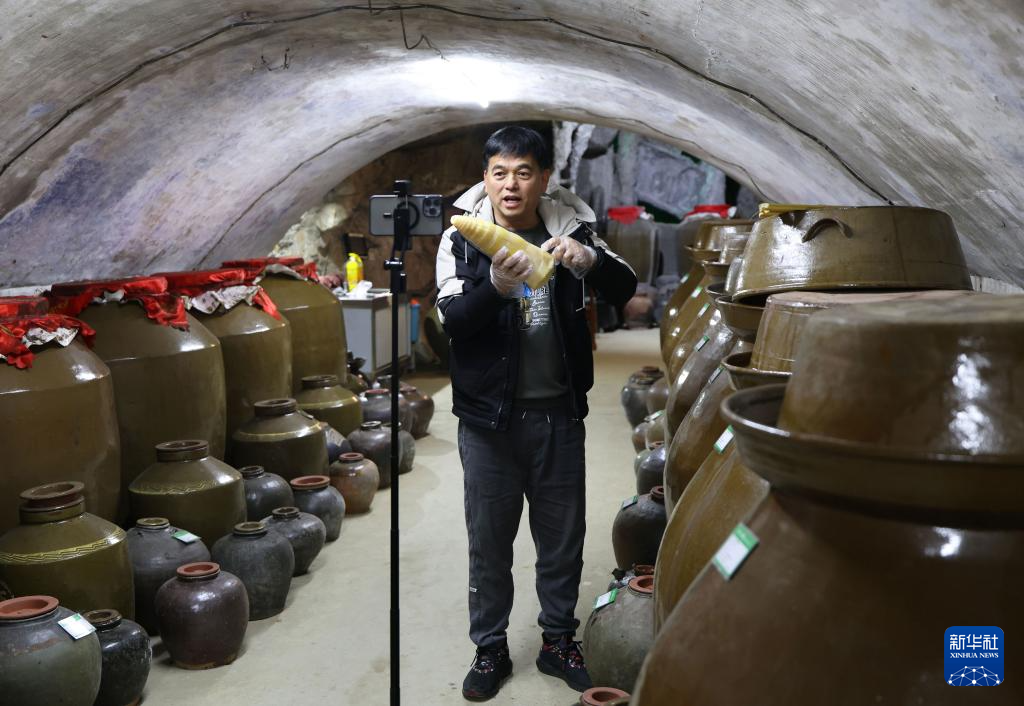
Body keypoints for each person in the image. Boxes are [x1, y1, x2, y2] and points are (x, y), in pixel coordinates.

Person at [435, 126, 637, 701]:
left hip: (558, 416)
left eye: (523, 172)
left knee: (562, 539)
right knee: (490, 542)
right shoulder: (461, 239)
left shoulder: (573, 228)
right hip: (488, 423)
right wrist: (495, 286)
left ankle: (558, 640)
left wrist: (589, 260)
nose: (511, 185)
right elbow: (452, 321)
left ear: (544, 178)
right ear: (485, 178)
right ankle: (490, 647)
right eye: (499, 173)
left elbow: (626, 287)